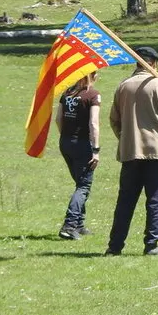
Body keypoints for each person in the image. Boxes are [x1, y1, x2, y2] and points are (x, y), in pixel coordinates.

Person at [106, 47, 158, 256]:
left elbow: (114, 120)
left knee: (125, 201)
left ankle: (114, 246)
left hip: (130, 152)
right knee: (155, 199)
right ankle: (151, 244)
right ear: (153, 63)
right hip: (157, 152)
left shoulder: (123, 86)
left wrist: (125, 139)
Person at [55, 70, 101, 240]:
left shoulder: (67, 93)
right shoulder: (93, 95)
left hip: (65, 143)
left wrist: (67, 137)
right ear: (93, 76)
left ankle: (80, 224)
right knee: (83, 186)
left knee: (79, 183)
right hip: (83, 145)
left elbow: (58, 119)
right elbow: (94, 124)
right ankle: (69, 225)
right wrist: (95, 150)